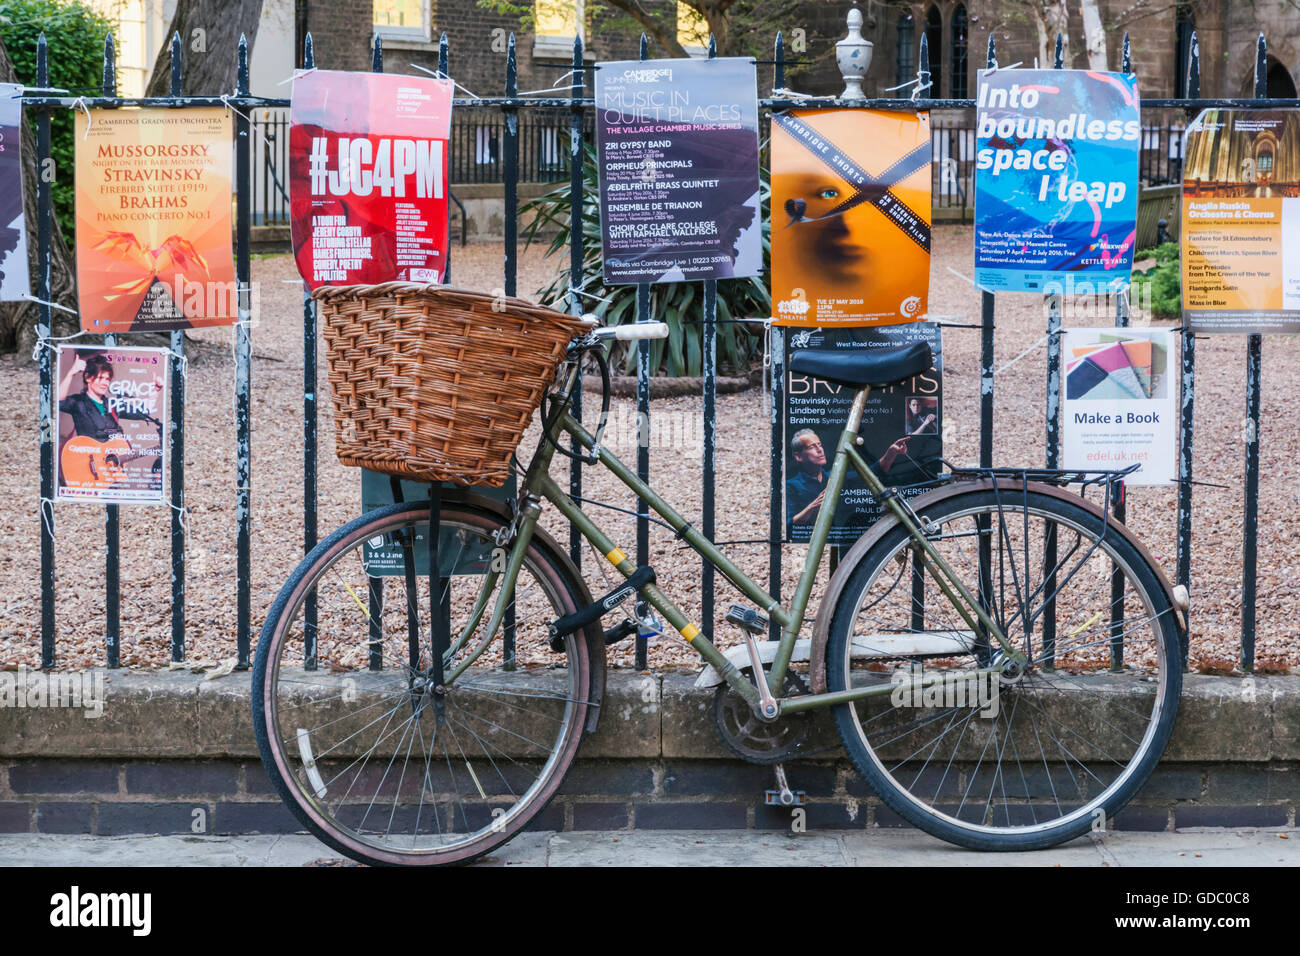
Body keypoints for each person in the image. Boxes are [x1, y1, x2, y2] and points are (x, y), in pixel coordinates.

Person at [786, 428, 910, 526]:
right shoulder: (791, 485)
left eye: (820, 445)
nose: (820, 450)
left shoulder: (834, 477)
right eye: (812, 447)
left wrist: (891, 454)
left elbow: (871, 473)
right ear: (798, 457)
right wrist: (812, 507)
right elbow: (788, 524)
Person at [58, 352, 123, 443]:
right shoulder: (78, 402)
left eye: (107, 379)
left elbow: (143, 410)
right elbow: (58, 402)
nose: (105, 383)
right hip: (86, 455)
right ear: (88, 377)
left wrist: (151, 390)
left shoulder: (111, 404)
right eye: (100, 378)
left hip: (107, 456)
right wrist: (71, 374)